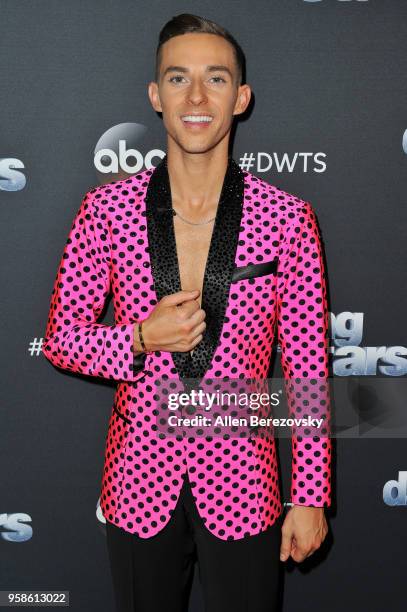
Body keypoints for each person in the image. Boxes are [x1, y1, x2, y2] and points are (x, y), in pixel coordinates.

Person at [42, 12, 332, 612]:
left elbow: (306, 371)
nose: (196, 96)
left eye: (216, 79)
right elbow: (61, 338)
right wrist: (140, 338)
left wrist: (309, 495)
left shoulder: (288, 219)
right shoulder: (105, 210)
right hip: (137, 483)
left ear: (241, 97)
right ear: (155, 95)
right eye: (178, 78)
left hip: (246, 487)